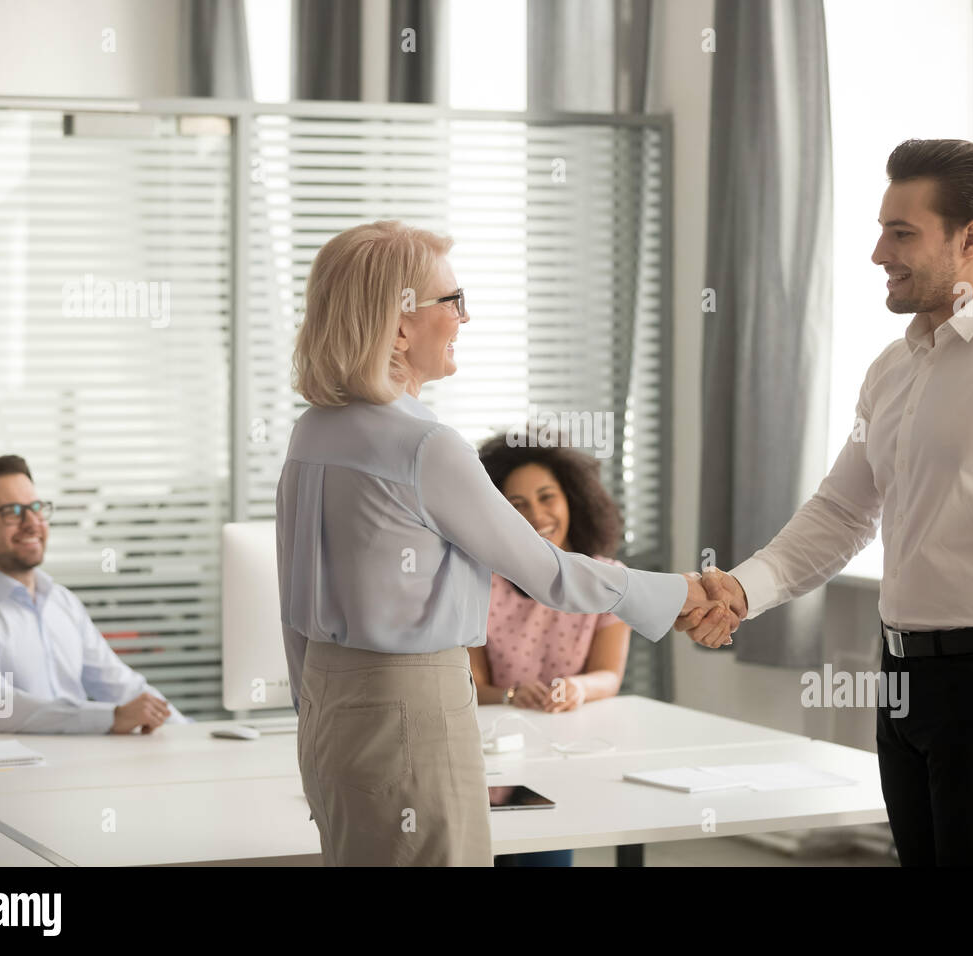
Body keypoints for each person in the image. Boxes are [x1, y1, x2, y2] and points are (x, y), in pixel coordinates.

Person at [679, 139, 973, 866]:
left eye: (902, 233)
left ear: (971, 239)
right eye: (881, 230)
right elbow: (843, 512)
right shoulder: (893, 368)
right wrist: (743, 590)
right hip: (903, 676)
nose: (879, 252)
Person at [277, 220, 733, 867]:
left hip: (332, 708)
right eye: (452, 301)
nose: (465, 316)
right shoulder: (423, 445)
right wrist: (681, 591)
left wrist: (314, 715)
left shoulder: (314, 431)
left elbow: (291, 599)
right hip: (413, 708)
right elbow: (545, 571)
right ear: (401, 324)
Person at [0, 455, 188, 734]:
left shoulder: (61, 601)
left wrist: (187, 732)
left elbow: (120, 684)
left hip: (79, 767)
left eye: (36, 508)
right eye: (13, 512)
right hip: (11, 773)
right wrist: (110, 718)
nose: (32, 523)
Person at [473, 434, 633, 867]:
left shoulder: (606, 579)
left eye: (547, 498)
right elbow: (472, 687)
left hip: (563, 751)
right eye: (517, 504)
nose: (536, 515)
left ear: (572, 501)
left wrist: (578, 689)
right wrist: (510, 696)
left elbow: (608, 676)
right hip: (490, 756)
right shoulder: (479, 584)